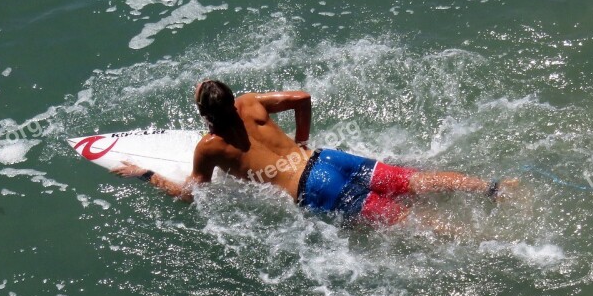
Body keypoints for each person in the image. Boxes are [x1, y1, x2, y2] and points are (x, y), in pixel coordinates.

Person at [112, 80, 517, 228]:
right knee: (416, 181)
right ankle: (496, 189)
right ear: (233, 100)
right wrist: (302, 140)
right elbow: (302, 97)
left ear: (204, 115)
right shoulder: (252, 104)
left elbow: (190, 194)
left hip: (314, 189)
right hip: (327, 160)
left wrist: (145, 174)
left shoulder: (209, 147)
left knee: (406, 220)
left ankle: (483, 241)